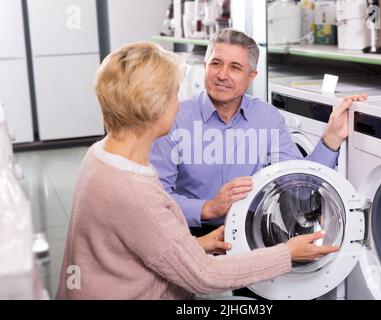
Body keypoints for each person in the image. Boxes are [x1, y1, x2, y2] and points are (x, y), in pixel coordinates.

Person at [56, 41, 339, 300]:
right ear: (154, 106)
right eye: (174, 93)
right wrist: (287, 253)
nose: (179, 102)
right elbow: (205, 276)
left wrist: (197, 245)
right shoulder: (134, 190)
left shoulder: (101, 155)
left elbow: (296, 180)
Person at [150, 29, 367, 237]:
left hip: (251, 230)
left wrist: (331, 139)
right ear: (205, 66)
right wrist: (208, 208)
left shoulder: (268, 118)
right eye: (216, 64)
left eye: (235, 67)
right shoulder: (175, 118)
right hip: (191, 233)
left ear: (251, 75)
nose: (222, 75)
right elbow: (157, 199)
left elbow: (300, 189)